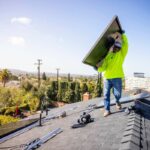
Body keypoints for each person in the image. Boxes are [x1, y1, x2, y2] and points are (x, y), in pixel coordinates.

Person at [96, 31, 128, 117]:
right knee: (106, 95)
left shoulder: (121, 54)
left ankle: (117, 101)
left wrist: (122, 34)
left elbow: (126, 44)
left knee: (118, 94)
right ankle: (107, 110)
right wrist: (98, 67)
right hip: (107, 78)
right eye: (112, 46)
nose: (113, 48)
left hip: (117, 77)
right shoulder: (107, 56)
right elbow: (103, 68)